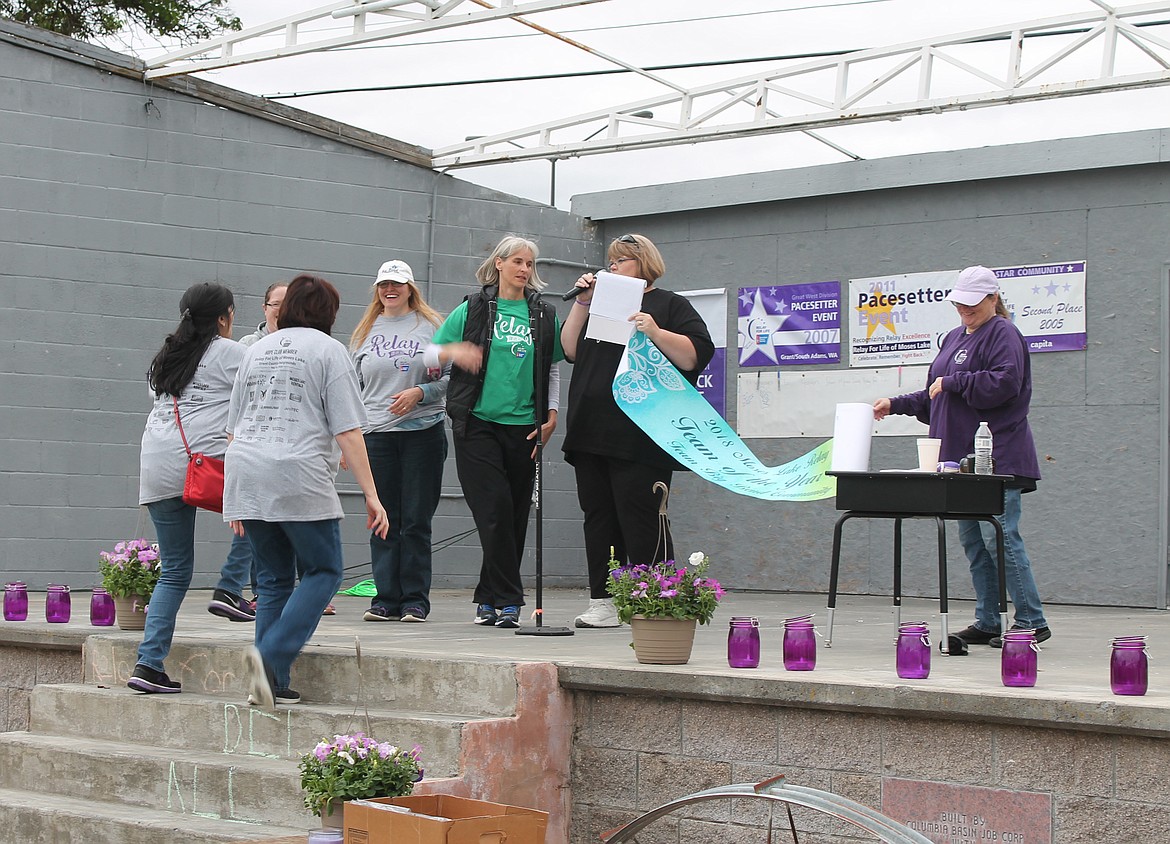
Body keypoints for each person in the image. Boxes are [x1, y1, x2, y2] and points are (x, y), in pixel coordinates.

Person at [224, 274, 389, 708]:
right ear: (328, 314)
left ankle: (271, 683)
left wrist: (235, 496)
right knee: (324, 571)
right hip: (296, 471)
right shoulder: (330, 351)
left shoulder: (254, 350)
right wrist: (371, 494)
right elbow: (349, 430)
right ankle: (269, 657)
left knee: (275, 579)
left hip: (248, 471)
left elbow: (233, 430)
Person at [872, 265, 1050, 648]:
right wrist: (895, 404)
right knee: (974, 543)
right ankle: (989, 620)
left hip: (997, 458)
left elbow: (1005, 384)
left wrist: (955, 381)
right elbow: (934, 395)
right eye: (959, 304)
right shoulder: (953, 337)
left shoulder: (1004, 333)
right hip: (957, 461)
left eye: (972, 304)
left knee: (1000, 537)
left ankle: (1032, 620)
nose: (964, 311)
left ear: (992, 299)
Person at [560, 233, 715, 628]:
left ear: (644, 264)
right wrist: (582, 302)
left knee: (642, 515)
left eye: (622, 261)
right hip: (592, 427)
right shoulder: (599, 304)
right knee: (598, 516)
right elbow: (571, 349)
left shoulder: (669, 304)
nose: (613, 268)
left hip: (641, 431)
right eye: (610, 262)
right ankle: (605, 600)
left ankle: (656, 596)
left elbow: (695, 353)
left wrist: (655, 331)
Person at [424, 235, 563, 629]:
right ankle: (509, 599)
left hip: (524, 427)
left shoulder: (543, 314)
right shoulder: (474, 308)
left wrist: (551, 415)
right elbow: (430, 355)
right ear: (499, 264)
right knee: (495, 509)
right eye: (517, 261)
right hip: (477, 423)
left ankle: (487, 598)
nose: (524, 269)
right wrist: (455, 352)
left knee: (514, 516)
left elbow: (551, 368)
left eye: (529, 264)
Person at [130, 283, 242, 694]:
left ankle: (148, 664)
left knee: (174, 572)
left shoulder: (163, 356)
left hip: (157, 467)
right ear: (223, 317)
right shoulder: (229, 352)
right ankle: (230, 589)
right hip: (204, 464)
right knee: (263, 518)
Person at [350, 259, 449, 623]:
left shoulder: (431, 327)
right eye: (383, 285)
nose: (390, 291)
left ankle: (414, 600)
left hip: (422, 432)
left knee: (416, 520)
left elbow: (451, 378)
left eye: (397, 284)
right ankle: (385, 598)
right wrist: (350, 439)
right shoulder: (365, 330)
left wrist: (421, 392)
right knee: (382, 517)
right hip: (376, 436)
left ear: (410, 288)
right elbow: (351, 389)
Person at [207, 282, 287, 623]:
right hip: (253, 444)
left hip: (285, 448)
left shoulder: (307, 344)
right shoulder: (246, 348)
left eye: (288, 303)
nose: (281, 310)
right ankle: (233, 587)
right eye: (275, 304)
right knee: (257, 520)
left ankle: (257, 591)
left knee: (270, 520)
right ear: (264, 307)